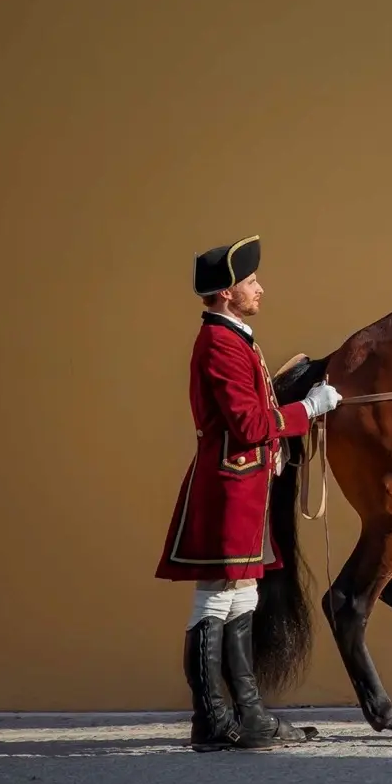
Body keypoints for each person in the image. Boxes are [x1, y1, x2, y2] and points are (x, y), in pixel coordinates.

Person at [154, 234, 343, 752]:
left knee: (242, 596)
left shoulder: (235, 335)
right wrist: (310, 410)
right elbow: (248, 422)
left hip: (247, 486)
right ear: (225, 292)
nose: (260, 289)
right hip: (229, 488)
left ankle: (249, 715)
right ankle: (212, 719)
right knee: (214, 600)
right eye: (251, 282)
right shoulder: (219, 342)